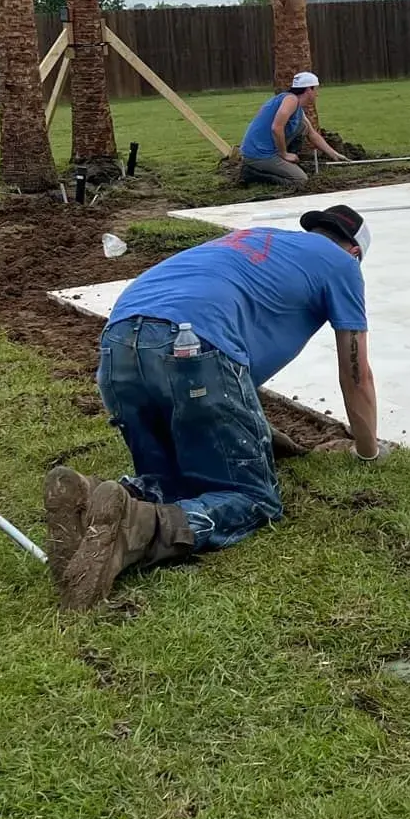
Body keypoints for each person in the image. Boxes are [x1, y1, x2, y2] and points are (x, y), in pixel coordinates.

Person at [45, 203, 381, 609]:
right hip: (193, 350)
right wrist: (367, 451)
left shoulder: (255, 243)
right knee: (253, 499)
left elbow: (232, 374)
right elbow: (356, 372)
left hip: (119, 345)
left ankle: (91, 500)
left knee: (172, 481)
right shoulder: (342, 265)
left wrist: (263, 435)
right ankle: (134, 529)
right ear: (355, 252)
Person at [237, 71, 346, 190]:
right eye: (316, 90)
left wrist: (333, 154)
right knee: (301, 181)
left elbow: (312, 133)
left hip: (264, 150)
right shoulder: (291, 101)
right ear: (309, 89)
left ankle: (283, 163)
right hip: (259, 154)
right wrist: (284, 154)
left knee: (303, 126)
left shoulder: (293, 104)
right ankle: (252, 174)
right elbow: (276, 127)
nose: (317, 94)